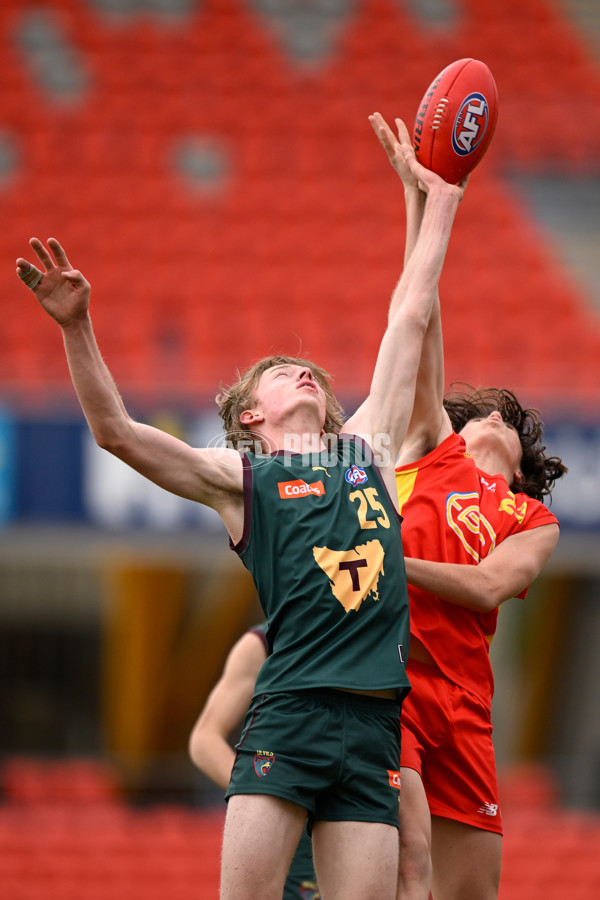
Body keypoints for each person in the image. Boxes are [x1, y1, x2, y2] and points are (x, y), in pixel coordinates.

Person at [15, 121, 466, 900]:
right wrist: (78, 327)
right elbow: (116, 434)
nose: (302, 372)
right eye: (280, 373)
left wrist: (442, 199)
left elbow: (410, 316)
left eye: (308, 372)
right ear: (249, 418)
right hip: (289, 714)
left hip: (373, 728)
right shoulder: (241, 479)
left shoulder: (365, 448)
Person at [370, 113, 567, 900]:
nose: (490, 415)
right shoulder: (434, 449)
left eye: (508, 419)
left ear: (523, 466)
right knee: (407, 870)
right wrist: (421, 197)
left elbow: (487, 588)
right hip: (397, 681)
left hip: (468, 706)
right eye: (480, 409)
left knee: (472, 891)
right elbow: (421, 313)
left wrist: (391, 554)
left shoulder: (532, 521)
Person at [189, 623, 320, 900]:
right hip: (291, 813)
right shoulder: (262, 645)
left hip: (353, 806)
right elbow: (204, 739)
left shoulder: (373, 640)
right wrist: (267, 794)